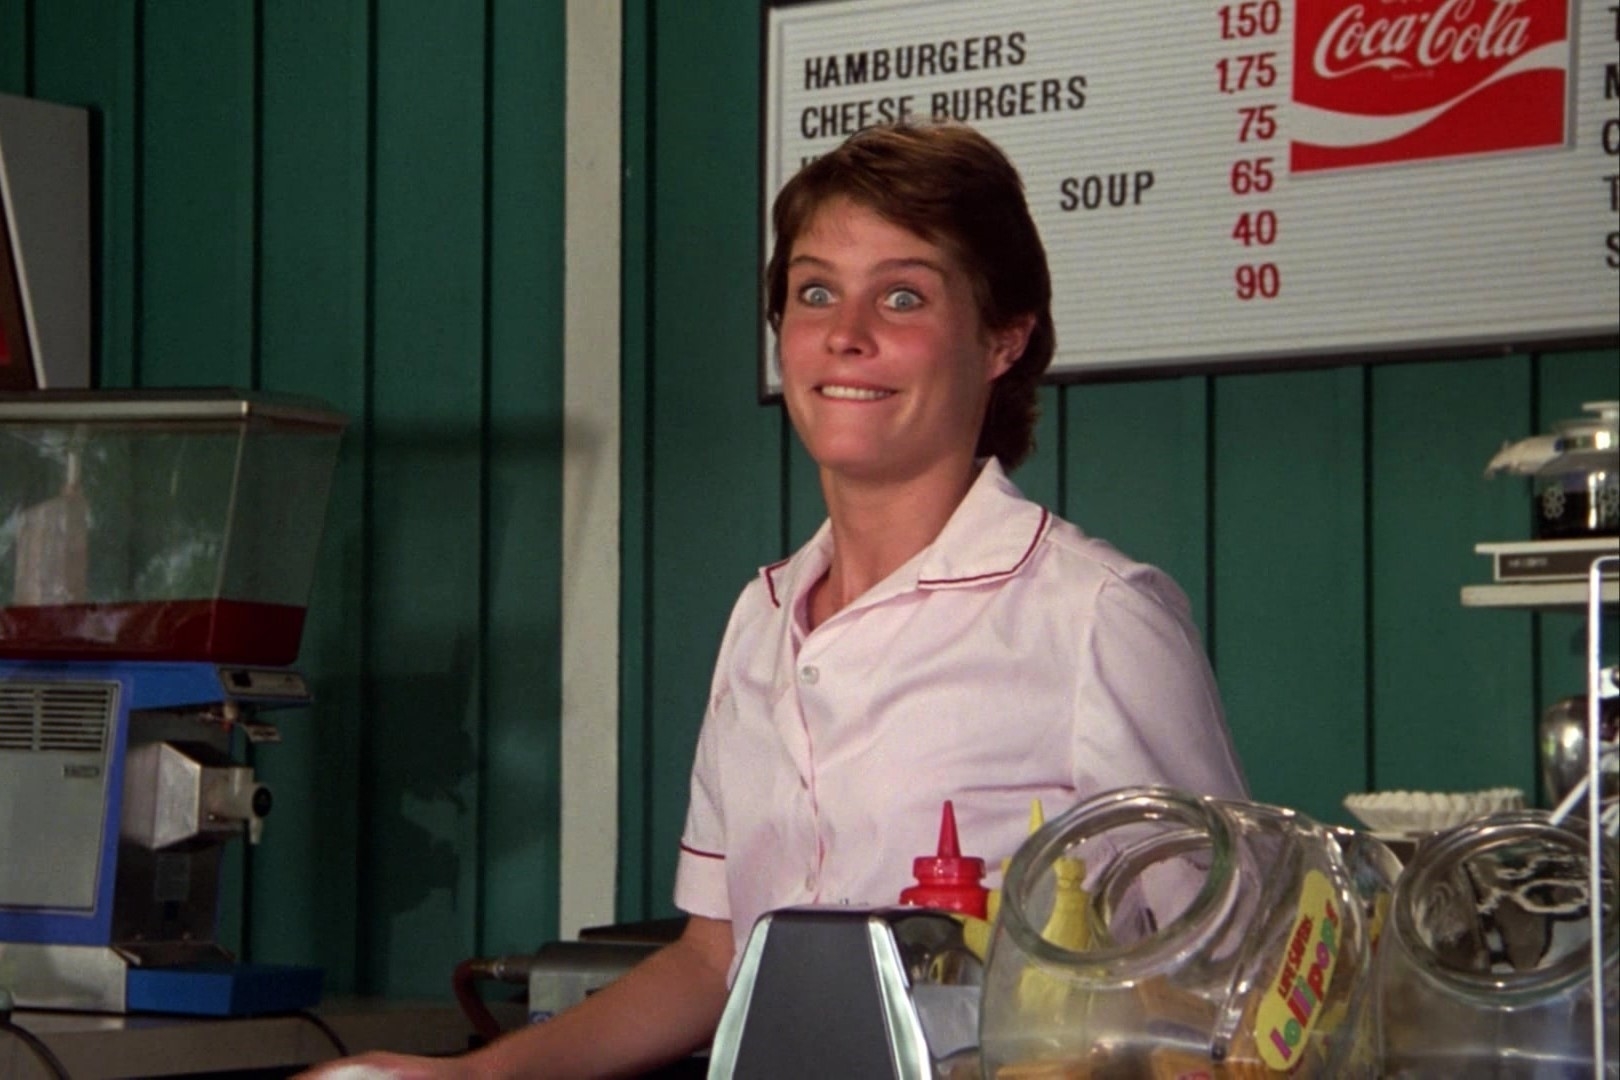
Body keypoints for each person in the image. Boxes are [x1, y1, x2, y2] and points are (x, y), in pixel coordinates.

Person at [299, 121, 1247, 1080]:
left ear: (1004, 338)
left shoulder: (1094, 616)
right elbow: (715, 960)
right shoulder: (763, 618)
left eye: (904, 296)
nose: (846, 334)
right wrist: (474, 1075)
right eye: (815, 292)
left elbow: (1234, 976)